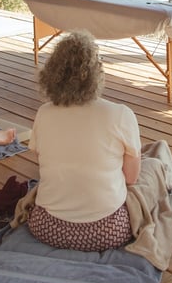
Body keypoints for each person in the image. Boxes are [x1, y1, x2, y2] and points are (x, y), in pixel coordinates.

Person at [27, 30, 142, 252]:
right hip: (106, 231)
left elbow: (41, 162)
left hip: (46, 227)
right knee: (152, 172)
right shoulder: (119, 114)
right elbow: (131, 178)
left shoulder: (44, 113)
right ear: (95, 73)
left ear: (51, 73)